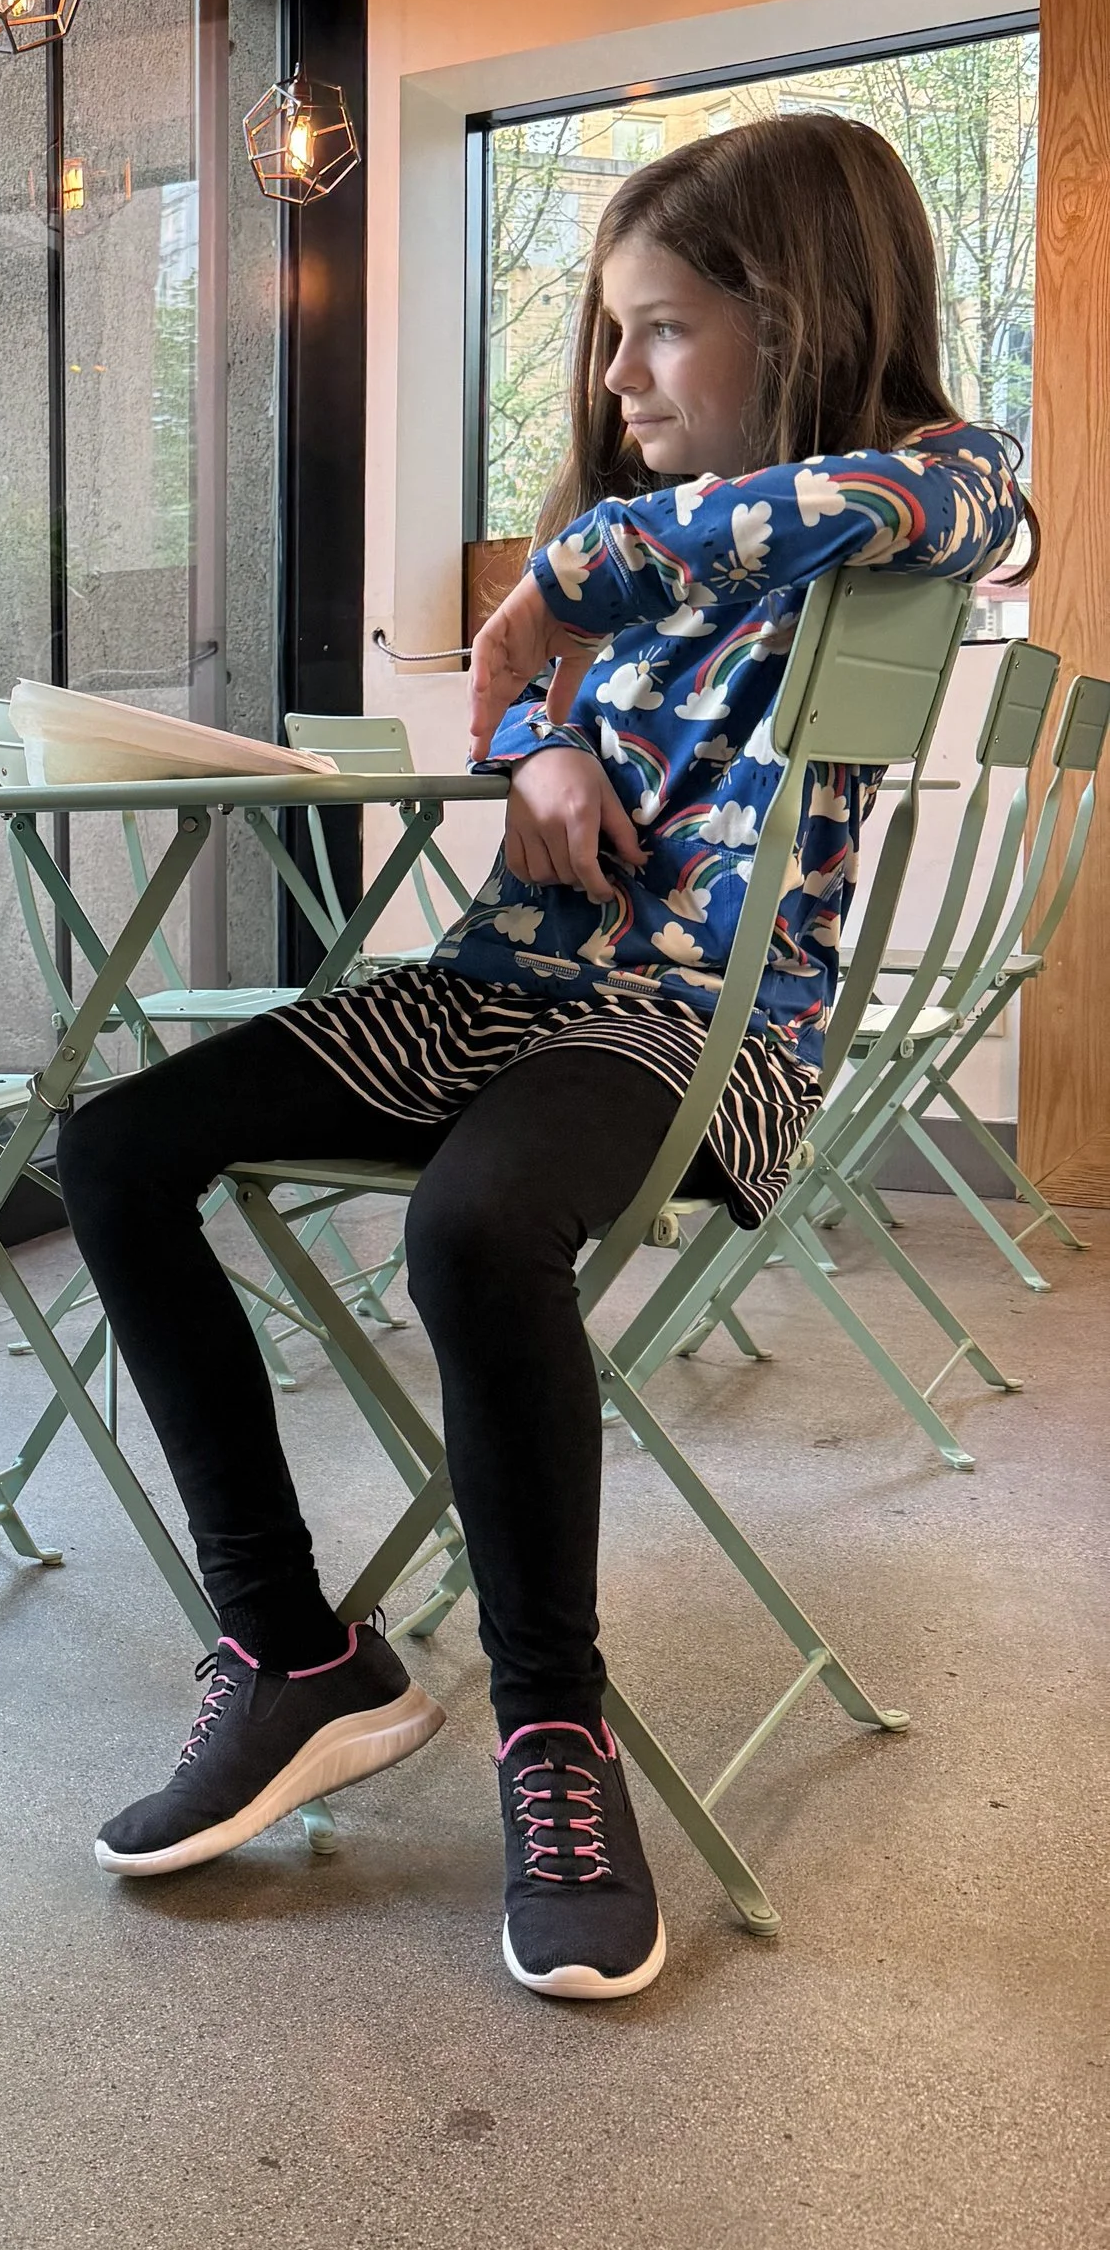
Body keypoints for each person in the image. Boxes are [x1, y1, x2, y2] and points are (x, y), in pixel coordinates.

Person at [56, 114, 1029, 2003]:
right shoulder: (627, 569)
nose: (618, 373)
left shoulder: (935, 485)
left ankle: (552, 1735)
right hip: (499, 989)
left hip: (708, 1031)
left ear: (800, 314)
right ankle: (294, 1653)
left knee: (480, 1230)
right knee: (114, 1151)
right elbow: (527, 702)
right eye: (608, 336)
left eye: (660, 329)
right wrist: (539, 744)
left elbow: (947, 511)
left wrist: (570, 567)